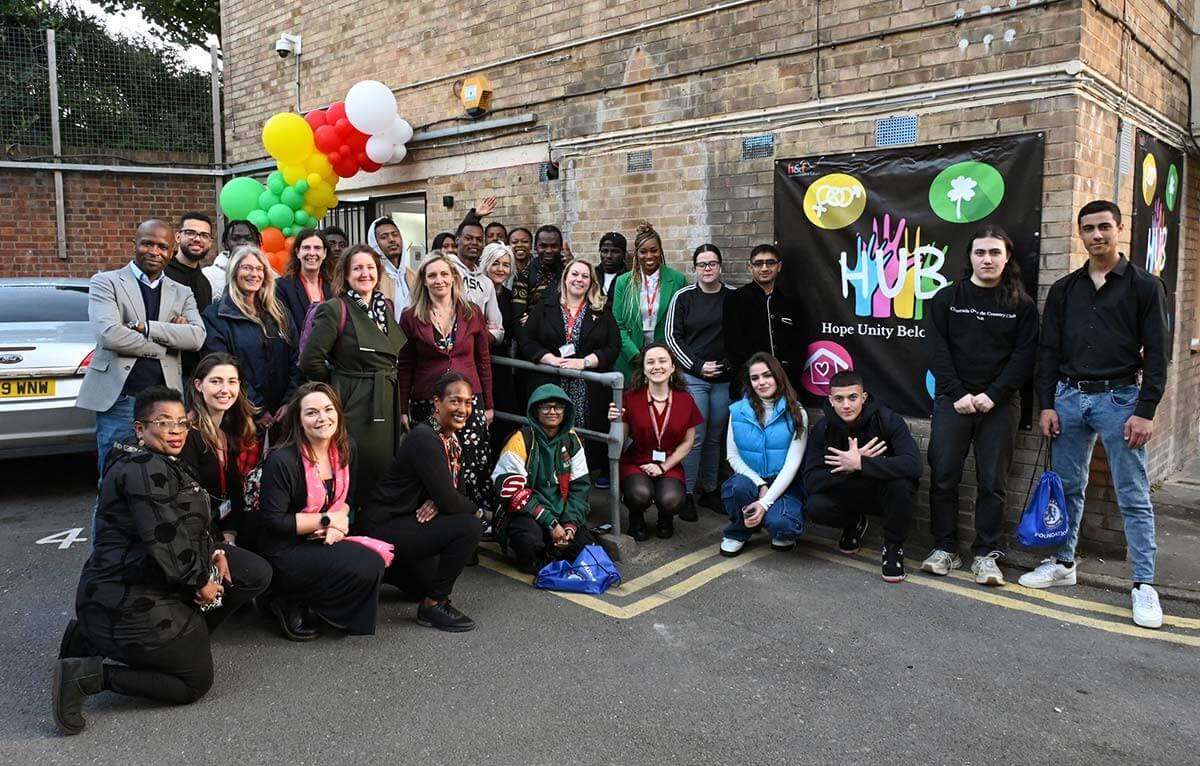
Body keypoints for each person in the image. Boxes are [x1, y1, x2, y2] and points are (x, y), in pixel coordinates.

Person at [53, 387, 271, 734]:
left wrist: (216, 549)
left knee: (250, 572)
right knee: (193, 682)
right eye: (164, 422)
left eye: (182, 423)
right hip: (126, 592)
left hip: (152, 576)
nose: (176, 430)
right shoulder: (142, 468)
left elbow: (192, 516)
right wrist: (201, 581)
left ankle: (92, 638)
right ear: (140, 429)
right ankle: (89, 676)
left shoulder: (160, 459)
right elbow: (165, 535)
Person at [1023, 200, 1169, 629]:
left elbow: (1159, 355)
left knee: (1133, 495)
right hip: (1069, 398)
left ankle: (1144, 584)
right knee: (1068, 488)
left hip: (1120, 399)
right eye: (1088, 228)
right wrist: (1047, 403)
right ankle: (1065, 563)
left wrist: (1146, 410)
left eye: (1105, 226)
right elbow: (1048, 351)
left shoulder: (1144, 287)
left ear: (1120, 229)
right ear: (1080, 234)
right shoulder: (1066, 289)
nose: (1097, 235)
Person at [920, 226, 1039, 586]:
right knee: (943, 477)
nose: (987, 259)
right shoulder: (947, 298)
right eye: (980, 252)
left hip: (999, 406)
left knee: (993, 483)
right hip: (952, 402)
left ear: (1006, 258)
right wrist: (957, 393)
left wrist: (994, 394)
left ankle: (986, 556)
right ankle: (945, 549)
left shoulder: (1022, 304)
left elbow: (1024, 358)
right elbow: (936, 350)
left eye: (995, 253)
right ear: (970, 256)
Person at [77, 219, 206, 480]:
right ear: (134, 244)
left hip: (166, 402)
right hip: (121, 399)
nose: (154, 252)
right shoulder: (106, 282)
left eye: (162, 246)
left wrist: (144, 327)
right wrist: (166, 342)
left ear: (172, 251)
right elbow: (110, 335)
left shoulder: (182, 292)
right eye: (147, 243)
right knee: (116, 477)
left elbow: (196, 337)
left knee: (162, 477)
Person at [257, 383, 387, 640]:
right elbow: (273, 521)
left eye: (328, 409)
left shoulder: (346, 446)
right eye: (311, 412)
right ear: (299, 420)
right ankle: (285, 598)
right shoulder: (282, 460)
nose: (322, 418)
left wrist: (338, 526)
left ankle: (322, 608)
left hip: (324, 536)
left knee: (373, 561)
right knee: (364, 563)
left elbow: (349, 496)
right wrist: (328, 519)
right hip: (284, 546)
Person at [363, 373, 484, 632]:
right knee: (470, 526)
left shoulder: (450, 441)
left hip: (409, 520)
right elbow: (451, 498)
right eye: (455, 401)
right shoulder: (424, 438)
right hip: (385, 524)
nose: (463, 409)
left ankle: (387, 573)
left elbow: (452, 493)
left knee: (425, 582)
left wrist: (442, 501)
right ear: (436, 403)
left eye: (468, 402)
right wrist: (472, 509)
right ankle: (434, 605)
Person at [300, 245, 407, 503]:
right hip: (354, 402)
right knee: (358, 468)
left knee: (383, 467)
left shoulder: (386, 307)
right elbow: (310, 360)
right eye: (357, 268)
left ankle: (378, 526)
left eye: (370, 267)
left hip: (386, 396)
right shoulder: (335, 308)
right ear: (345, 275)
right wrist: (339, 386)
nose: (365, 273)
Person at [802, 371, 922, 582]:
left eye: (852, 397)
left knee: (901, 484)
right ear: (830, 400)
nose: (846, 405)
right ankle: (854, 523)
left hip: (882, 494)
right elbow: (811, 479)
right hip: (848, 493)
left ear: (864, 397)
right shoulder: (822, 429)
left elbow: (913, 465)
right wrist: (848, 469)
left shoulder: (888, 420)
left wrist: (862, 464)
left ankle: (893, 548)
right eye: (839, 399)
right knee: (814, 505)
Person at [398, 255, 495, 512]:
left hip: (469, 399)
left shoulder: (471, 312)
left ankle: (474, 514)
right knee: (434, 460)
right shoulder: (410, 316)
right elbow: (405, 364)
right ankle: (435, 511)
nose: (439, 280)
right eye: (432, 275)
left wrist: (489, 405)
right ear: (424, 281)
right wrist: (403, 408)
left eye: (444, 274)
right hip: (428, 401)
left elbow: (483, 360)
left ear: (453, 277)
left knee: (471, 459)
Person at [519, 258, 620, 475]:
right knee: (549, 433)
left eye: (585, 276)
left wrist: (584, 362)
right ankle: (547, 477)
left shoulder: (602, 310)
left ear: (591, 281)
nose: (579, 280)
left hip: (587, 387)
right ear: (565, 278)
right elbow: (526, 341)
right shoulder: (544, 306)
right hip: (550, 381)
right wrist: (550, 359)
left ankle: (580, 480)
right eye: (574, 274)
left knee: (583, 438)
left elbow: (613, 347)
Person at [493, 384, 593, 573]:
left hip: (561, 512)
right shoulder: (520, 440)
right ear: (535, 411)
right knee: (529, 544)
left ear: (566, 411)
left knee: (586, 548)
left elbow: (580, 488)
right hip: (528, 513)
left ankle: (553, 547)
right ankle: (538, 552)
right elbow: (513, 493)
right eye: (545, 407)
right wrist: (552, 524)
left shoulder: (571, 440)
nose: (552, 412)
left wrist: (570, 526)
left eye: (558, 407)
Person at [667, 243, 734, 519]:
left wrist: (727, 365)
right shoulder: (683, 297)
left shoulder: (733, 296)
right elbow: (672, 337)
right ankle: (688, 494)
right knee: (695, 437)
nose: (708, 269)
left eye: (712, 263)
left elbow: (741, 336)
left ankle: (709, 490)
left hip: (723, 379)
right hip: (693, 378)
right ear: (695, 268)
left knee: (715, 437)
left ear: (720, 266)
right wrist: (696, 366)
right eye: (702, 264)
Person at [608, 343, 702, 540]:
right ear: (643, 368)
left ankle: (665, 518)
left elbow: (688, 442)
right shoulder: (629, 398)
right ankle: (636, 518)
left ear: (673, 367)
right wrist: (614, 422)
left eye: (662, 361)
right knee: (639, 494)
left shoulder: (686, 400)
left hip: (670, 461)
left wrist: (663, 467)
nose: (656, 366)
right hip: (636, 460)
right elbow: (619, 440)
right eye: (650, 362)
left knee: (672, 500)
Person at [718, 354, 808, 556]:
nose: (761, 382)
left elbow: (792, 464)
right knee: (735, 488)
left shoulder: (797, 413)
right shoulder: (737, 411)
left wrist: (764, 502)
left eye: (767, 375)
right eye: (755, 378)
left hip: (784, 482)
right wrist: (760, 485)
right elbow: (732, 457)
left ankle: (768, 518)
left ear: (778, 376)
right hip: (751, 480)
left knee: (783, 526)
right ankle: (739, 531)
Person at [201, 246, 298, 432]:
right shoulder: (215, 317)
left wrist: (289, 402)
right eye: (246, 268)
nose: (254, 274)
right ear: (234, 271)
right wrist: (258, 409)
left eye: (259, 268)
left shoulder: (280, 313)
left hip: (282, 416)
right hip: (239, 417)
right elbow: (222, 370)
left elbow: (296, 358)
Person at [180, 353, 262, 548]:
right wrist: (221, 543)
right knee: (261, 572)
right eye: (216, 381)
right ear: (199, 385)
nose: (225, 390)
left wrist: (230, 533)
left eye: (232, 382)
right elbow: (189, 502)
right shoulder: (186, 435)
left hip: (222, 524)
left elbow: (234, 492)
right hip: (196, 534)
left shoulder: (228, 431)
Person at [610, 222, 688, 381]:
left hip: (665, 361)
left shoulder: (677, 279)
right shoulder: (623, 282)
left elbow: (684, 323)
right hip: (630, 360)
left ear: (661, 251)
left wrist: (665, 357)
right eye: (643, 252)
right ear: (637, 254)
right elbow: (618, 325)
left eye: (654, 250)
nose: (649, 256)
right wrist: (636, 356)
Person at [723, 243, 804, 385]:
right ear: (750, 267)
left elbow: (800, 343)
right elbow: (732, 345)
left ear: (779, 266)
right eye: (759, 263)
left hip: (787, 381)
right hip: (750, 383)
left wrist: (791, 374)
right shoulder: (735, 299)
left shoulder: (791, 301)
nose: (765, 268)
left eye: (770, 263)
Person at [479, 242, 520, 452]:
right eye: (495, 263)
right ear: (485, 263)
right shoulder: (477, 289)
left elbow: (508, 329)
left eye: (505, 265)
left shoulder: (509, 294)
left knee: (505, 416)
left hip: (502, 365)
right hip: (481, 363)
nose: (500, 269)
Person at [447, 218, 505, 343]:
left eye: (479, 239)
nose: (474, 242)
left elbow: (499, 330)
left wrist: (483, 337)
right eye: (468, 238)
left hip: (474, 354)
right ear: (457, 240)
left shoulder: (486, 282)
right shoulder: (445, 270)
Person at [276, 228, 335, 341]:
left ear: (324, 253)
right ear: (298, 252)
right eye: (306, 248)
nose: (312, 253)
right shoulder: (282, 287)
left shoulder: (334, 286)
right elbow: (285, 329)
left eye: (317, 248)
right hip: (299, 354)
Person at [512, 225, 568, 317]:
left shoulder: (569, 271)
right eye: (543, 246)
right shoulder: (524, 275)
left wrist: (572, 267)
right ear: (535, 247)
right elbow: (518, 316)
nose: (549, 250)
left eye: (554, 246)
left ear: (561, 247)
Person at [164, 211, 214, 313]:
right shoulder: (161, 274)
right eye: (190, 233)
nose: (197, 239)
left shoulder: (204, 283)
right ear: (178, 237)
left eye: (204, 235)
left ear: (210, 243)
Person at [367, 216, 416, 316]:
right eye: (384, 237)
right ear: (374, 243)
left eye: (395, 235)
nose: (392, 240)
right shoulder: (373, 278)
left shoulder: (414, 276)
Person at [204, 219, 261, 300]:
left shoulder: (270, 276)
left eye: (249, 238)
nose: (242, 242)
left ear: (257, 243)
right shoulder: (208, 276)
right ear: (225, 244)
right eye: (235, 238)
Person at [598, 231, 629, 301]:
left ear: (624, 255)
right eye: (605, 251)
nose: (609, 256)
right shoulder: (592, 276)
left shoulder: (629, 279)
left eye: (615, 252)